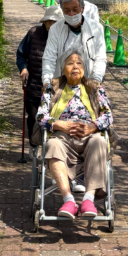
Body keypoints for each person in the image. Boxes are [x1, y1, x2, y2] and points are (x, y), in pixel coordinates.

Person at [37, 51, 113, 218]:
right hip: (62, 137)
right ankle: (68, 200)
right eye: (70, 63)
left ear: (84, 69)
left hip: (89, 137)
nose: (75, 66)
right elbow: (41, 116)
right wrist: (59, 124)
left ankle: (88, 200)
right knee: (52, 144)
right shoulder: (53, 88)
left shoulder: (94, 88)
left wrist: (92, 127)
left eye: (79, 63)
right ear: (63, 69)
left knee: (99, 142)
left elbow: (108, 115)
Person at [41, 0, 106, 88]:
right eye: (67, 10)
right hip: (62, 84)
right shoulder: (55, 29)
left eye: (75, 9)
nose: (71, 14)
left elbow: (100, 57)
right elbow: (49, 58)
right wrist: (46, 80)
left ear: (82, 8)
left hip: (89, 82)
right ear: (62, 10)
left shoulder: (96, 28)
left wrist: (96, 79)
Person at [16, 4, 63, 142]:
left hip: (56, 86)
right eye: (49, 21)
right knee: (33, 117)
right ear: (44, 22)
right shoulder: (33, 33)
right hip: (34, 84)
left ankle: (50, 145)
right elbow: (21, 54)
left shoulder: (64, 37)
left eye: (55, 22)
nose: (52, 24)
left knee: (54, 118)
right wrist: (23, 68)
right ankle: (33, 143)